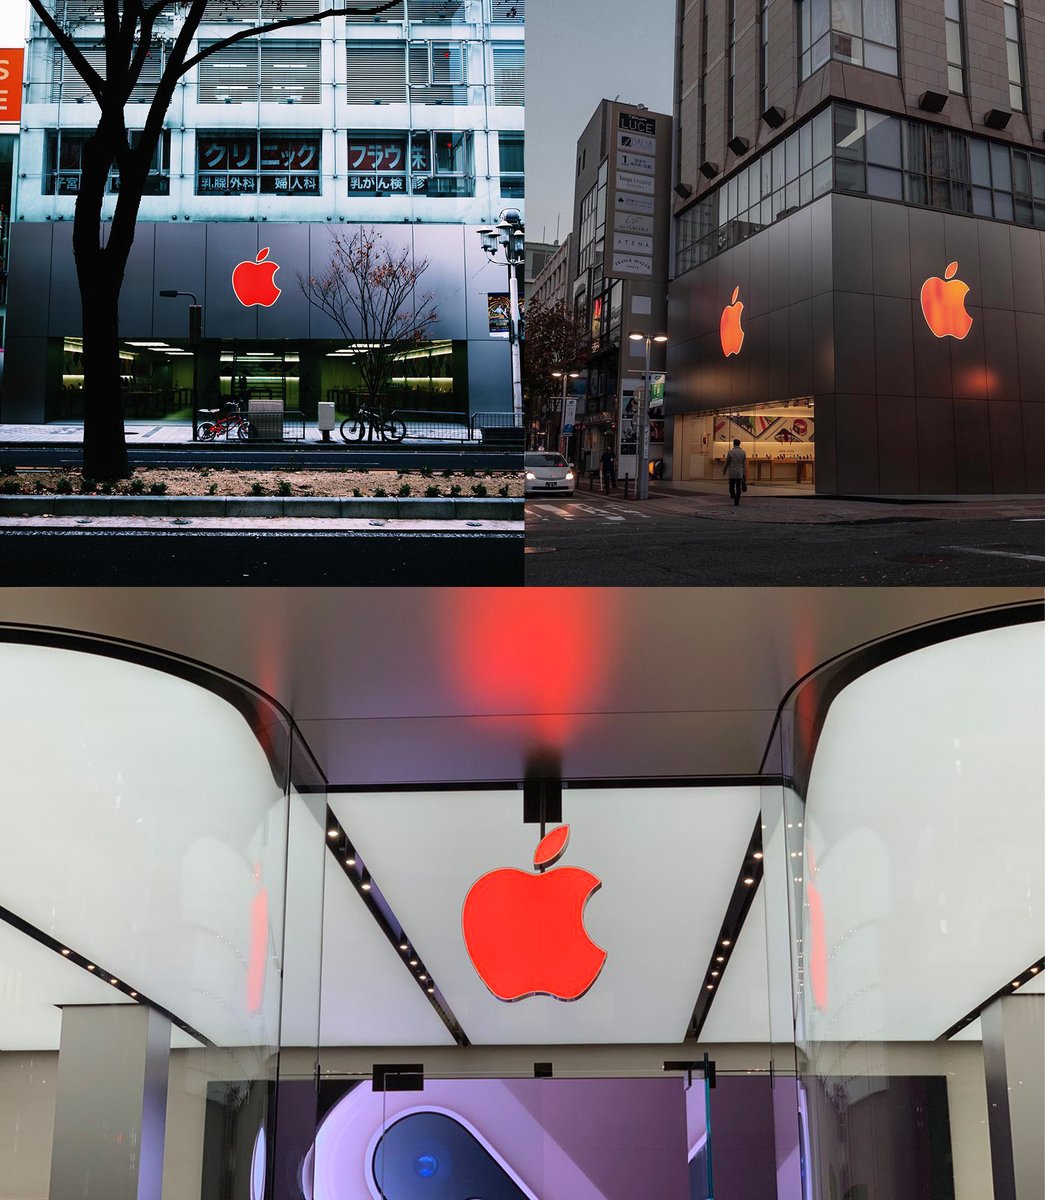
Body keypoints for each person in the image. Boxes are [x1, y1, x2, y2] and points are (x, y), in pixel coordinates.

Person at [722, 437, 747, 506]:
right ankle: (737, 500)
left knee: (731, 486)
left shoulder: (730, 452)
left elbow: (727, 462)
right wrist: (744, 473)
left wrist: (724, 470)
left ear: (733, 444)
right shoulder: (743, 452)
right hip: (739, 472)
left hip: (732, 472)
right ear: (739, 444)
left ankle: (733, 494)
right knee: (738, 487)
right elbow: (744, 464)